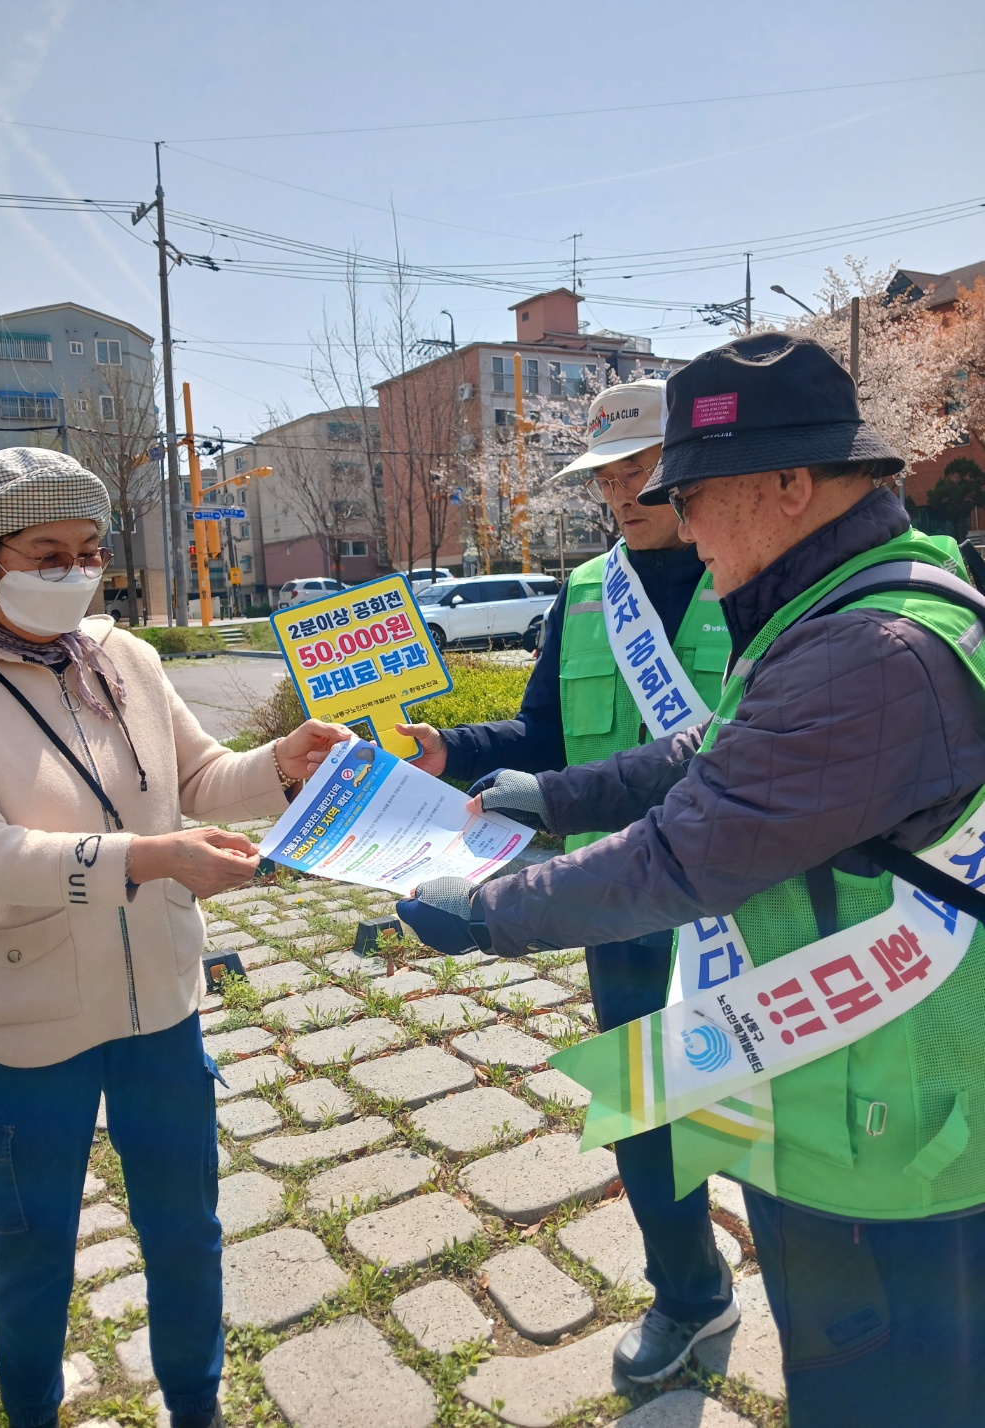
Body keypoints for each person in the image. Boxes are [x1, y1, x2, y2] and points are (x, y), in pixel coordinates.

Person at [398, 333, 985, 1427]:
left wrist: (484, 910)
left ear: (789, 482)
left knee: (881, 1393)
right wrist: (552, 794)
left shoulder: (865, 651)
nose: (676, 518)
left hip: (882, 1130)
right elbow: (707, 750)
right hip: (847, 1077)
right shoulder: (848, 599)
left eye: (690, 493)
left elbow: (685, 850)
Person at [0, 448, 350, 1428]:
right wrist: (152, 859)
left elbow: (198, 780)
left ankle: (196, 1404)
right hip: (21, 1017)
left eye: (90, 551)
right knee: (33, 1245)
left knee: (186, 1230)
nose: (74, 572)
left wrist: (281, 762)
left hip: (160, 1000)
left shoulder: (129, 659)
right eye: (46, 554)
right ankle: (30, 1409)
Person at [397, 379, 739, 1381]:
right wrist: (450, 749)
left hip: (750, 899)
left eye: (642, 469)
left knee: (779, 1090)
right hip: (618, 899)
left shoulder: (755, 571)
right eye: (606, 477)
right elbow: (543, 735)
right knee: (643, 1105)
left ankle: (822, 1286)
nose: (623, 492)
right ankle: (690, 1294)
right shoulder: (586, 591)